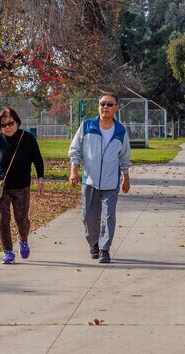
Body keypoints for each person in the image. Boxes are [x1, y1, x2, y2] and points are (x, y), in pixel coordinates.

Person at [0, 108, 45, 264]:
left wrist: (40, 180)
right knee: (3, 219)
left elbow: (38, 160)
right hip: (1, 186)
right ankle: (8, 252)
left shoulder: (28, 139)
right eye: (3, 125)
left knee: (22, 220)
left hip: (22, 187)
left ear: (17, 122)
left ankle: (23, 238)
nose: (7, 127)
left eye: (10, 123)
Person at [68, 93, 131, 264]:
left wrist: (126, 177)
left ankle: (104, 249)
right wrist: (74, 171)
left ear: (116, 108)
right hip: (90, 181)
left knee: (108, 215)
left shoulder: (120, 131)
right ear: (98, 106)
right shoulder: (87, 126)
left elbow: (124, 156)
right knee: (89, 216)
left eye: (110, 104)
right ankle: (93, 243)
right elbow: (75, 150)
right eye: (102, 103)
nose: (105, 107)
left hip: (111, 182)